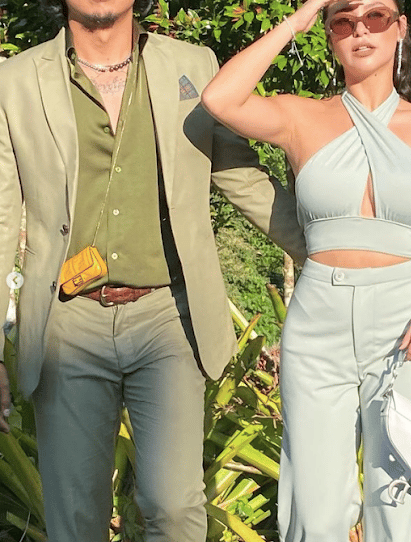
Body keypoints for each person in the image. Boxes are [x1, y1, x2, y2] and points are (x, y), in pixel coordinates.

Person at [0, 0, 308, 540]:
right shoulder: (15, 81)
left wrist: (331, 251)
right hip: (65, 324)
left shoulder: (193, 64)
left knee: (174, 508)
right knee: (74, 515)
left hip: (169, 316)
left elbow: (239, 177)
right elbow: (2, 217)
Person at [202, 0, 411, 540]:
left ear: (400, 28)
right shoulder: (301, 116)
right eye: (344, 21)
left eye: (376, 17)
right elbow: (220, 98)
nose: (361, 30)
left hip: (410, 315)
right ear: (331, 37)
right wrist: (298, 20)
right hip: (318, 319)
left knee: (402, 492)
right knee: (315, 507)